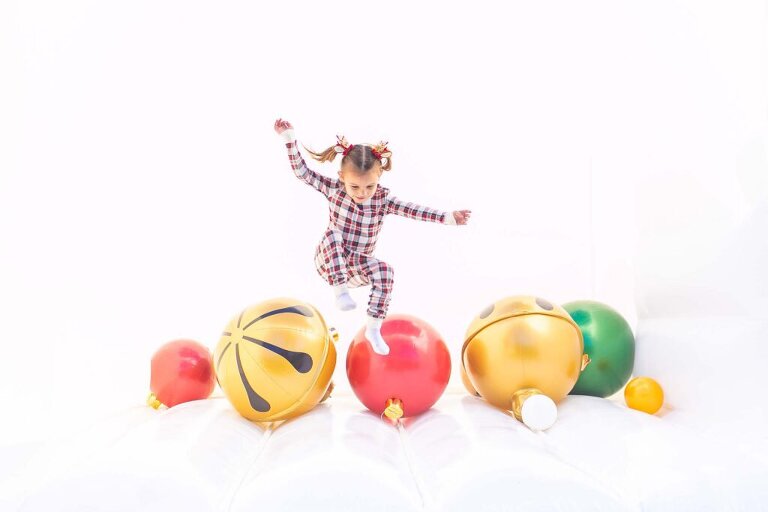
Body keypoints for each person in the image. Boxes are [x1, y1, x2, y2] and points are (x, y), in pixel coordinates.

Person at [274, 118, 471, 355]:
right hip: (329, 261)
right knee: (334, 234)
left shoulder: (382, 201)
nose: (362, 193)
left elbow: (415, 210)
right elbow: (302, 172)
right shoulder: (334, 189)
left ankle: (374, 328)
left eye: (370, 187)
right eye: (355, 187)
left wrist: (449, 217)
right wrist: (289, 140)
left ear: (379, 179)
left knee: (386, 271)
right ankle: (339, 292)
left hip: (356, 269)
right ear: (342, 177)